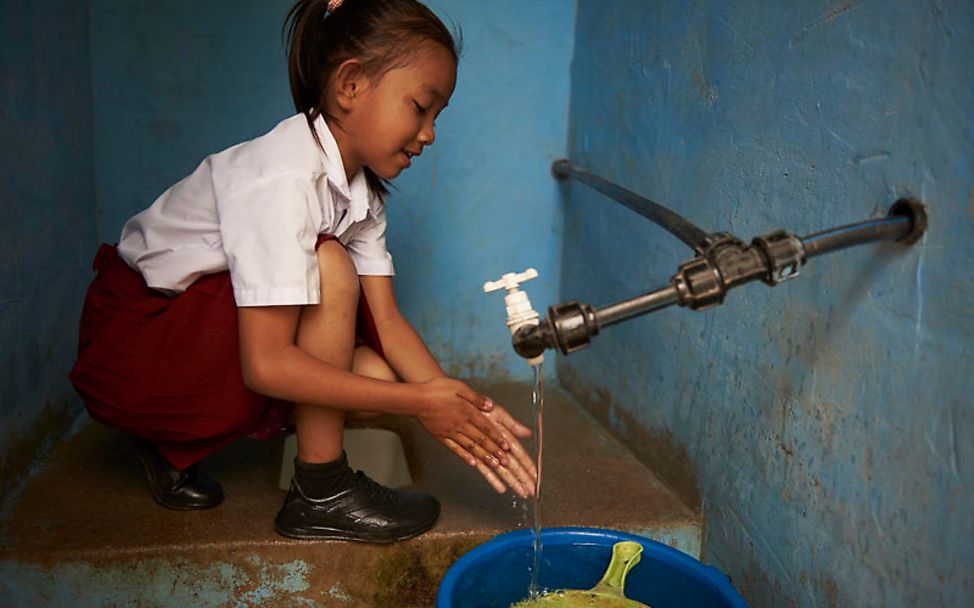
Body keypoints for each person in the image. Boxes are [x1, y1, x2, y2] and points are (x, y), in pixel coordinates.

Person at [69, 0, 536, 544]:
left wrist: (459, 408)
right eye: (419, 107)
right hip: (135, 349)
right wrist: (418, 405)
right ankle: (321, 491)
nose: (429, 134)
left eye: (438, 117)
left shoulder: (357, 191)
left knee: (377, 376)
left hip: (192, 338)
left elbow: (387, 322)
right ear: (351, 85)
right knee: (331, 268)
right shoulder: (281, 180)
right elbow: (266, 366)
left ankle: (168, 444)